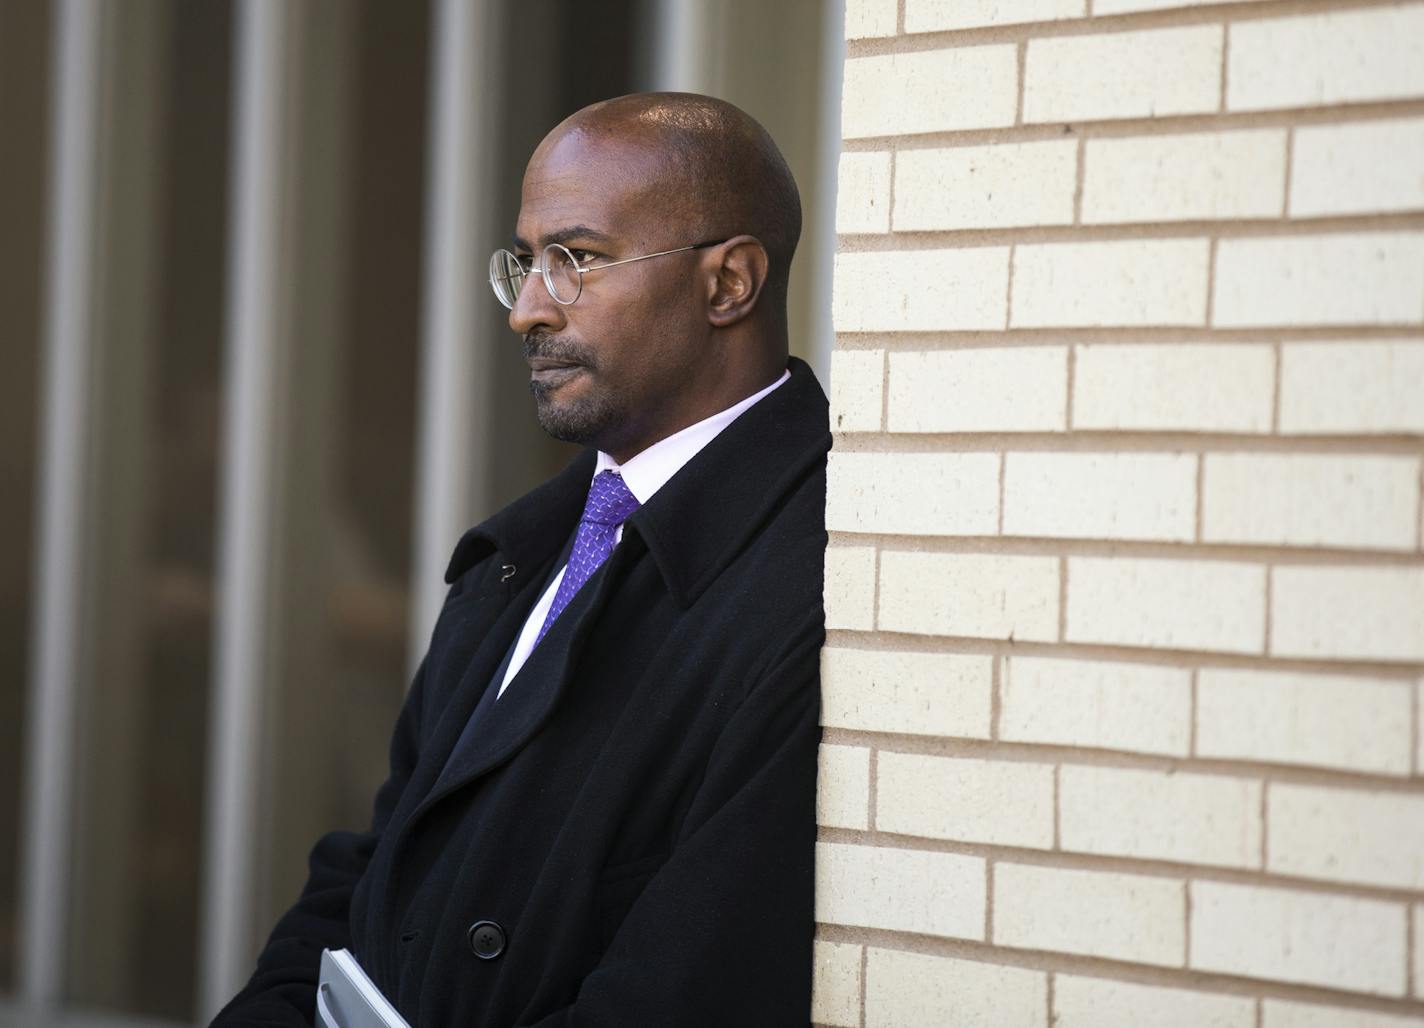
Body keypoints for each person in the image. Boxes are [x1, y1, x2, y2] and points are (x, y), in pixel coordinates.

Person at [212, 91, 829, 1027]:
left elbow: (689, 990)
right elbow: (374, 872)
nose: (528, 311)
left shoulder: (826, 579)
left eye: (576, 259)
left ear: (727, 284)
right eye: (527, 263)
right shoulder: (518, 556)